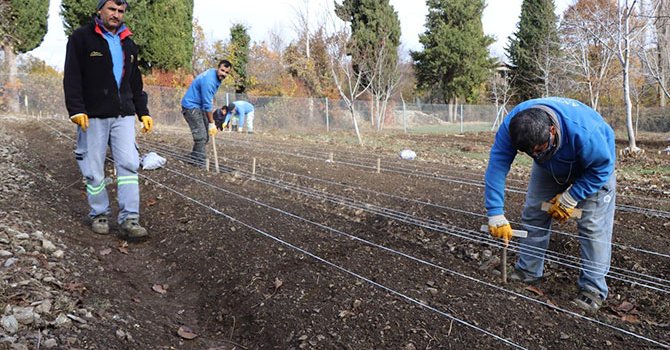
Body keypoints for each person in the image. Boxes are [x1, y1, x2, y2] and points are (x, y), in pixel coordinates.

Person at [484, 97, 616, 313]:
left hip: (594, 169)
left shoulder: (586, 132)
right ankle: (528, 271)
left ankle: (593, 288)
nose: (536, 155)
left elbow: (601, 167)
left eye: (541, 148)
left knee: (592, 226)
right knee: (534, 212)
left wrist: (571, 196)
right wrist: (495, 212)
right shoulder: (513, 126)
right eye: (530, 152)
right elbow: (497, 165)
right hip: (551, 167)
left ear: (552, 130)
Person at [63, 0, 153, 240]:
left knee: (129, 164)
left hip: (123, 114)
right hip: (92, 115)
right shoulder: (82, 39)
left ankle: (130, 218)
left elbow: (135, 82)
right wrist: (76, 108)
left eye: (120, 11)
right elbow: (72, 75)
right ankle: (99, 213)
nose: (116, 15)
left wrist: (143, 111)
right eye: (112, 9)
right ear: (100, 10)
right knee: (93, 168)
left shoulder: (129, 43)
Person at [181, 60, 232, 165]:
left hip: (199, 106)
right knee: (201, 136)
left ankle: (194, 157)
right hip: (191, 107)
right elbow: (207, 105)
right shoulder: (209, 81)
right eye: (222, 70)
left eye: (227, 72)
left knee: (206, 136)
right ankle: (200, 162)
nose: (224, 74)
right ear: (218, 68)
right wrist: (212, 123)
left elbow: (208, 99)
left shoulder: (215, 75)